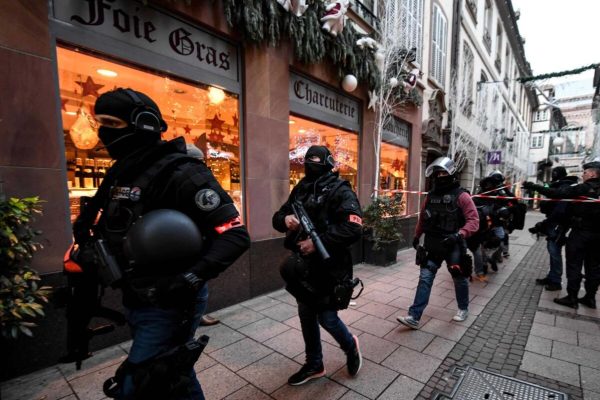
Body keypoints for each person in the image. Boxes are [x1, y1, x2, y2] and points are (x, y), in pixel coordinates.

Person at [72, 88, 250, 399]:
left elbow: (235, 235)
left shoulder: (182, 173)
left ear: (144, 124)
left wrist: (189, 278)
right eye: (101, 123)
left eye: (112, 124)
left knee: (137, 383)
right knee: (172, 371)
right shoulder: (121, 173)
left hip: (170, 301)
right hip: (135, 294)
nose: (103, 132)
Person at [272, 145, 363, 386]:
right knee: (306, 314)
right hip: (304, 266)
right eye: (307, 161)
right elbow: (278, 216)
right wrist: (285, 220)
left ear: (328, 163)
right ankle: (315, 364)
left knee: (327, 318)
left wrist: (318, 241)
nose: (310, 166)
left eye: (315, 161)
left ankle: (350, 345)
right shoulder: (300, 189)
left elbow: (353, 227)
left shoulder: (340, 190)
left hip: (331, 266)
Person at [397, 156, 479, 329]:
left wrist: (459, 235)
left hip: (453, 245)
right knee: (425, 279)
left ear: (451, 173)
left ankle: (463, 308)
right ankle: (414, 316)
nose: (440, 176)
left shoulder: (462, 196)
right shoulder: (431, 196)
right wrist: (417, 235)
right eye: (437, 173)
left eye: (443, 172)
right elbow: (423, 217)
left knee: (459, 278)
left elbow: (474, 221)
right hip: (432, 244)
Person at [524, 161, 600, 309]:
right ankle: (590, 298)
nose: (583, 175)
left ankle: (572, 297)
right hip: (598, 236)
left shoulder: (584, 188)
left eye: (584, 173)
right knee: (594, 267)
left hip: (581, 232)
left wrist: (532, 186)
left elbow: (557, 194)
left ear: (592, 173)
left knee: (574, 265)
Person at [185, 144, 221, 327]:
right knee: (196, 283)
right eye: (198, 162)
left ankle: (198, 314)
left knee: (200, 282)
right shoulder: (182, 182)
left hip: (199, 239)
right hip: (186, 243)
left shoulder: (197, 181)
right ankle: (194, 316)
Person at [531, 166, 577, 291]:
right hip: (555, 221)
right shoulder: (559, 185)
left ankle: (556, 280)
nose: (552, 175)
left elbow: (560, 209)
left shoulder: (565, 186)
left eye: (554, 173)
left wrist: (546, 222)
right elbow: (550, 194)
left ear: (558, 174)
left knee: (554, 252)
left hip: (559, 223)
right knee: (552, 251)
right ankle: (552, 277)